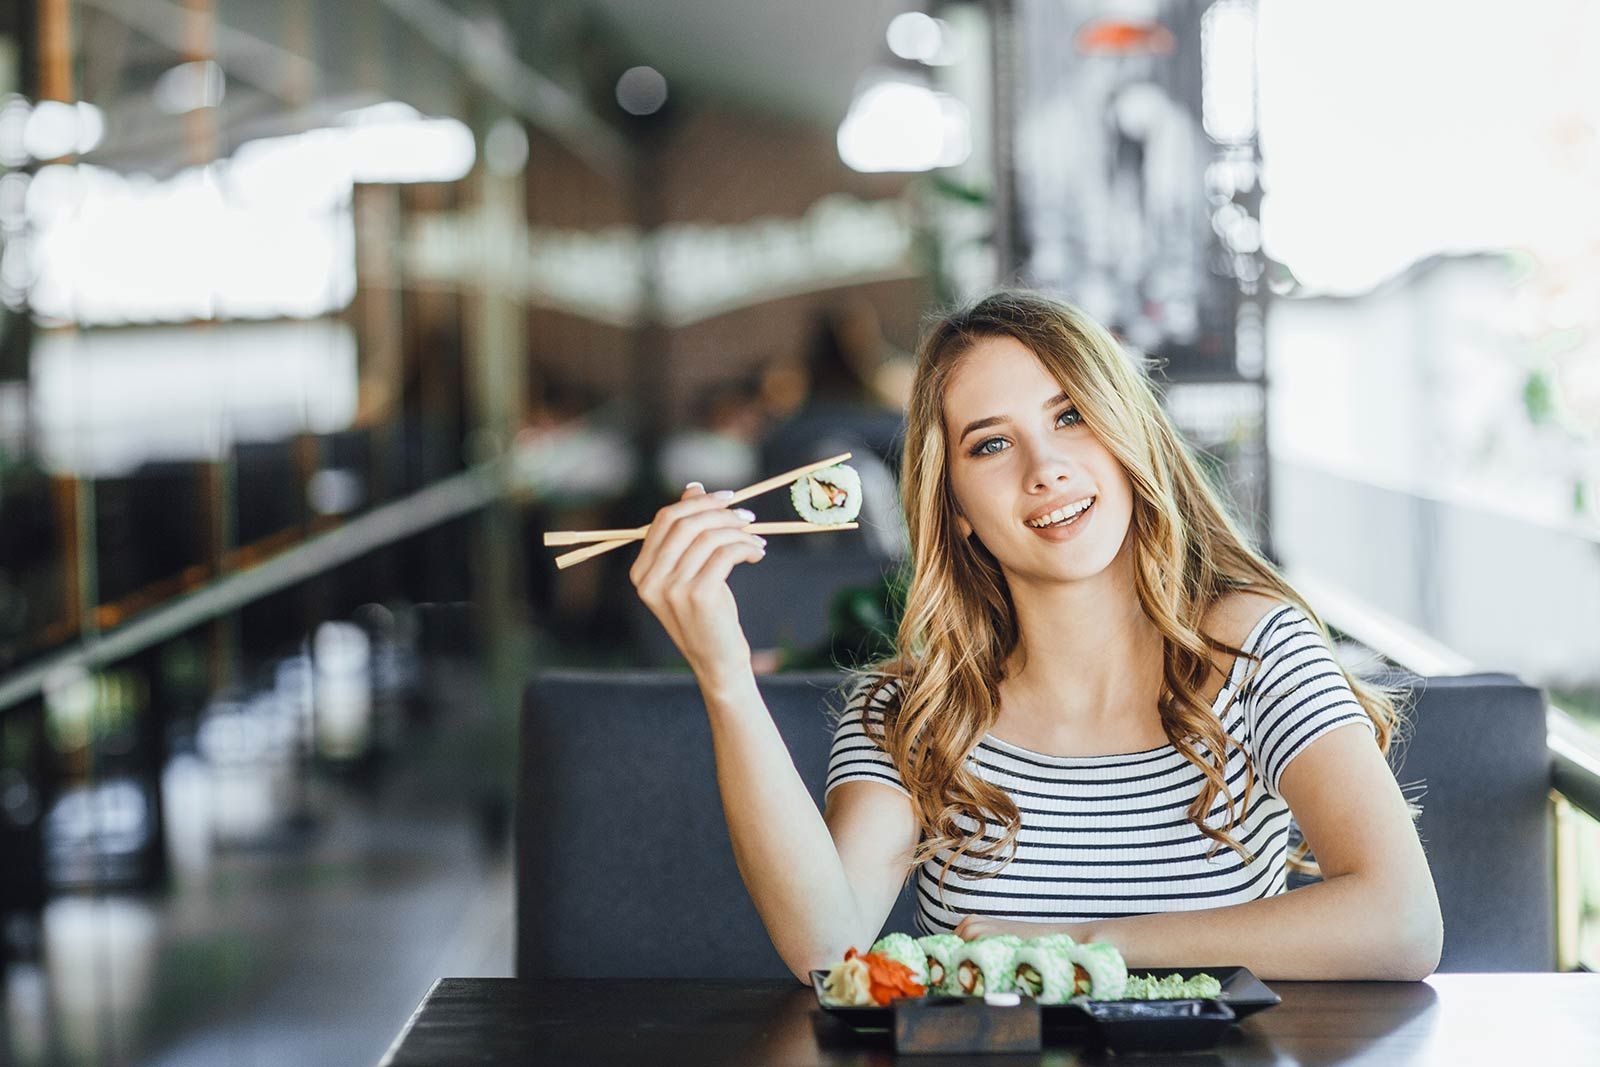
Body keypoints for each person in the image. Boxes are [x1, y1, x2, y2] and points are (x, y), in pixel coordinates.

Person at [627, 290, 1441, 983]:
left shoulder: (1255, 648)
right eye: (990, 443)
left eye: (1071, 416)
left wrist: (1093, 946)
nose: (1043, 466)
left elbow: (1402, 918)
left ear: (1129, 438)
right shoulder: (912, 706)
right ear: (954, 508)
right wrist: (726, 675)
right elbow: (823, 945)